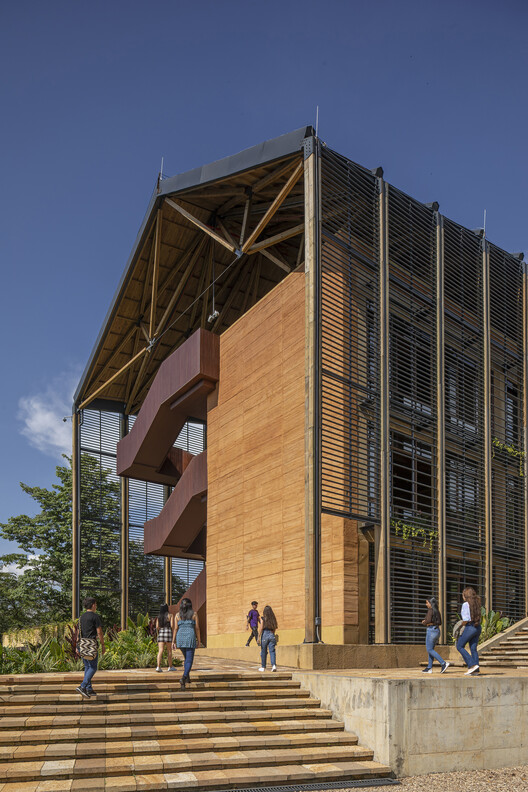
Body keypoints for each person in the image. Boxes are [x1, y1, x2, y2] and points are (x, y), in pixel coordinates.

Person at [75, 597, 106, 698]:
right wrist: (103, 644)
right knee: (93, 667)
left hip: (82, 645)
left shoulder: (81, 617)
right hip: (91, 645)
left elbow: (78, 633)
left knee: (87, 667)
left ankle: (89, 689)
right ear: (93, 605)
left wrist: (77, 646)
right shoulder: (95, 616)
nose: (96, 606)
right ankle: (83, 686)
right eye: (96, 604)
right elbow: (99, 632)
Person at [173, 597, 201, 689]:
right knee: (189, 660)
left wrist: (173, 641)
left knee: (186, 658)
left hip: (180, 638)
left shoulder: (177, 615)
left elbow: (175, 629)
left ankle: (187, 677)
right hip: (190, 637)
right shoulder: (194, 614)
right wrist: (199, 641)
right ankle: (183, 678)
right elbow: (197, 628)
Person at [456, 586, 482, 675]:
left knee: (459, 646)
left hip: (470, 627)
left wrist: (460, 626)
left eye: (463, 595)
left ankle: (472, 665)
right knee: (473, 648)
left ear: (465, 596)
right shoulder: (476, 603)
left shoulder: (465, 604)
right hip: (477, 627)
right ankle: (476, 670)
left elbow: (466, 619)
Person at [421, 596, 450, 674]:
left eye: (427, 602)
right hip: (436, 631)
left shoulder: (430, 610)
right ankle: (429, 668)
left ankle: (443, 663)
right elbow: (440, 622)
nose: (426, 604)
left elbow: (428, 620)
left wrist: (424, 622)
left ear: (431, 603)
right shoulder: (437, 611)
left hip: (431, 631)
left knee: (429, 649)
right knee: (431, 650)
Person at [155, 603, 176, 672]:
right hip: (168, 632)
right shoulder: (170, 615)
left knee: (160, 650)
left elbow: (157, 627)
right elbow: (172, 626)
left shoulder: (159, 617)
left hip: (161, 632)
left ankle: (158, 667)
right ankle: (170, 666)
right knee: (169, 650)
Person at [258, 605, 278, 672]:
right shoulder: (273, 619)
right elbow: (275, 627)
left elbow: (261, 628)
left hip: (265, 634)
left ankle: (263, 667)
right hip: (272, 634)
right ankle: (274, 666)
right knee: (272, 651)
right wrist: (272, 634)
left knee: (263, 651)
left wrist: (258, 637)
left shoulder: (263, 618)